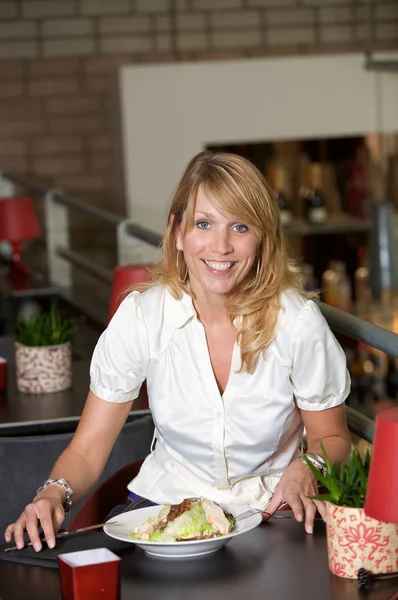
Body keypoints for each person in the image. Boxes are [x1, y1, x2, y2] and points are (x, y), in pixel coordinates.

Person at [5, 151, 351, 552]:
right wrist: (51, 495)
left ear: (262, 239)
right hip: (166, 511)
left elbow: (332, 436)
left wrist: (308, 467)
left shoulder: (298, 323)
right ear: (178, 234)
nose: (220, 246)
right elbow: (87, 449)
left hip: (271, 513)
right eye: (204, 224)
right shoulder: (141, 318)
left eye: (240, 227)